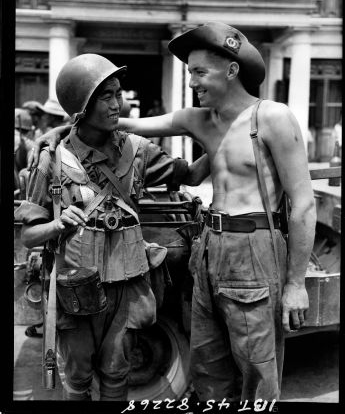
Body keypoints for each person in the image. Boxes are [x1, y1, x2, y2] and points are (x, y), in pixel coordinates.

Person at [29, 23, 316, 402]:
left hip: (254, 246)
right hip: (208, 246)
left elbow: (304, 204)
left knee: (256, 368)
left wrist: (296, 285)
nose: (192, 82)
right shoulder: (198, 120)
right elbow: (118, 121)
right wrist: (58, 133)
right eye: (189, 72)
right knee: (206, 365)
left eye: (199, 72)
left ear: (231, 71)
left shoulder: (273, 118)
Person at [16, 53, 208, 401]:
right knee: (77, 379)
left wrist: (224, 135)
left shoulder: (137, 151)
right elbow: (29, 235)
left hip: (128, 287)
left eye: (118, 93)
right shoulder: (53, 158)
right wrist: (58, 224)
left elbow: (191, 175)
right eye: (106, 96)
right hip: (77, 289)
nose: (117, 103)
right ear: (83, 104)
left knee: (118, 376)